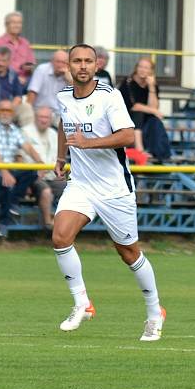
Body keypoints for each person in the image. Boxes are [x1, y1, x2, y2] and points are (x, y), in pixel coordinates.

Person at [52, 43, 166, 341]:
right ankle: (82, 304)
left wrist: (87, 143)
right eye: (77, 61)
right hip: (81, 184)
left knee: (128, 252)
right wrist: (61, 158)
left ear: (96, 65)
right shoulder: (64, 95)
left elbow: (127, 135)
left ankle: (155, 312)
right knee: (60, 236)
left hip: (114, 188)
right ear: (69, 65)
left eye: (88, 61)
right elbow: (64, 124)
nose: (83, 66)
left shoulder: (109, 96)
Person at [0, 100, 44, 237]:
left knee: (32, 172)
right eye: (2, 110)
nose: (5, 113)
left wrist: (41, 164)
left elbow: (28, 148)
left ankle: (13, 201)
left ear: (13, 113)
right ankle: (4, 220)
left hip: (9, 168)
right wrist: (4, 172)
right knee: (6, 183)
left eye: (8, 111)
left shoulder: (15, 129)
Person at [118, 57, 171, 161]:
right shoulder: (128, 83)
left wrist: (151, 87)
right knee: (139, 113)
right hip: (127, 119)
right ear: (136, 68)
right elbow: (133, 106)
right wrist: (153, 111)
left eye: (146, 68)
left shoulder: (152, 85)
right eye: (140, 66)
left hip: (144, 122)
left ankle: (158, 153)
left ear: (151, 71)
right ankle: (139, 149)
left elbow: (154, 106)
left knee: (155, 121)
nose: (142, 70)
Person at [22, 106, 67, 228]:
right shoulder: (25, 131)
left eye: (46, 117)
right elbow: (19, 156)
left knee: (72, 189)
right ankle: (48, 224)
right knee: (46, 191)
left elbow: (59, 157)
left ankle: (66, 223)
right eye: (41, 117)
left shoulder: (54, 134)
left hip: (52, 176)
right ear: (35, 118)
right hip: (32, 177)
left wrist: (60, 173)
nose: (44, 120)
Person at [0, 11, 36, 85]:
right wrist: (16, 78)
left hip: (25, 79)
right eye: (14, 22)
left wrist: (27, 67)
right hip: (5, 79)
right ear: (6, 25)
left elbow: (31, 63)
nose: (17, 25)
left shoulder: (25, 43)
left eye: (19, 23)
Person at [26, 50, 72, 119]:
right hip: (39, 111)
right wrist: (29, 111)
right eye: (58, 62)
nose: (60, 65)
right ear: (51, 61)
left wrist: (69, 80)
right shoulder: (42, 69)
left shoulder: (69, 75)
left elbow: (77, 99)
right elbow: (32, 92)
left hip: (59, 114)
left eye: (63, 62)